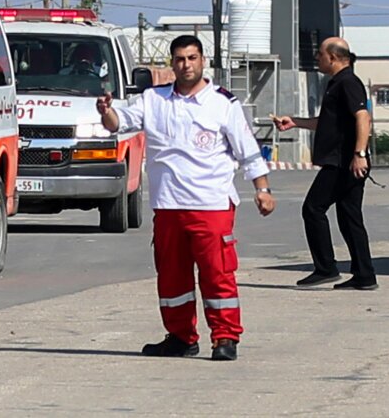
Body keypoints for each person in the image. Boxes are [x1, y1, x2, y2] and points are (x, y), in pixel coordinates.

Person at [97, 35, 274, 362]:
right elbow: (119, 123)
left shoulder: (223, 103)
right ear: (172, 64)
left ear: (202, 60)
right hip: (168, 207)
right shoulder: (154, 100)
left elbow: (248, 152)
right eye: (179, 59)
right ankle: (180, 337)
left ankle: (224, 338)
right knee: (172, 276)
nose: (186, 65)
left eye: (192, 58)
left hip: (211, 205)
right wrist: (106, 112)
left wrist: (262, 190)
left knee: (216, 273)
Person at [272, 37, 377, 291]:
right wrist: (295, 122)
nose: (317, 58)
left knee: (313, 208)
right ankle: (364, 275)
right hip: (344, 161)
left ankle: (326, 268)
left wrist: (359, 153)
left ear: (333, 57)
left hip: (344, 162)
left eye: (320, 54)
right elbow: (328, 121)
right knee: (349, 216)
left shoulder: (348, 83)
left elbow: (363, 118)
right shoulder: (337, 84)